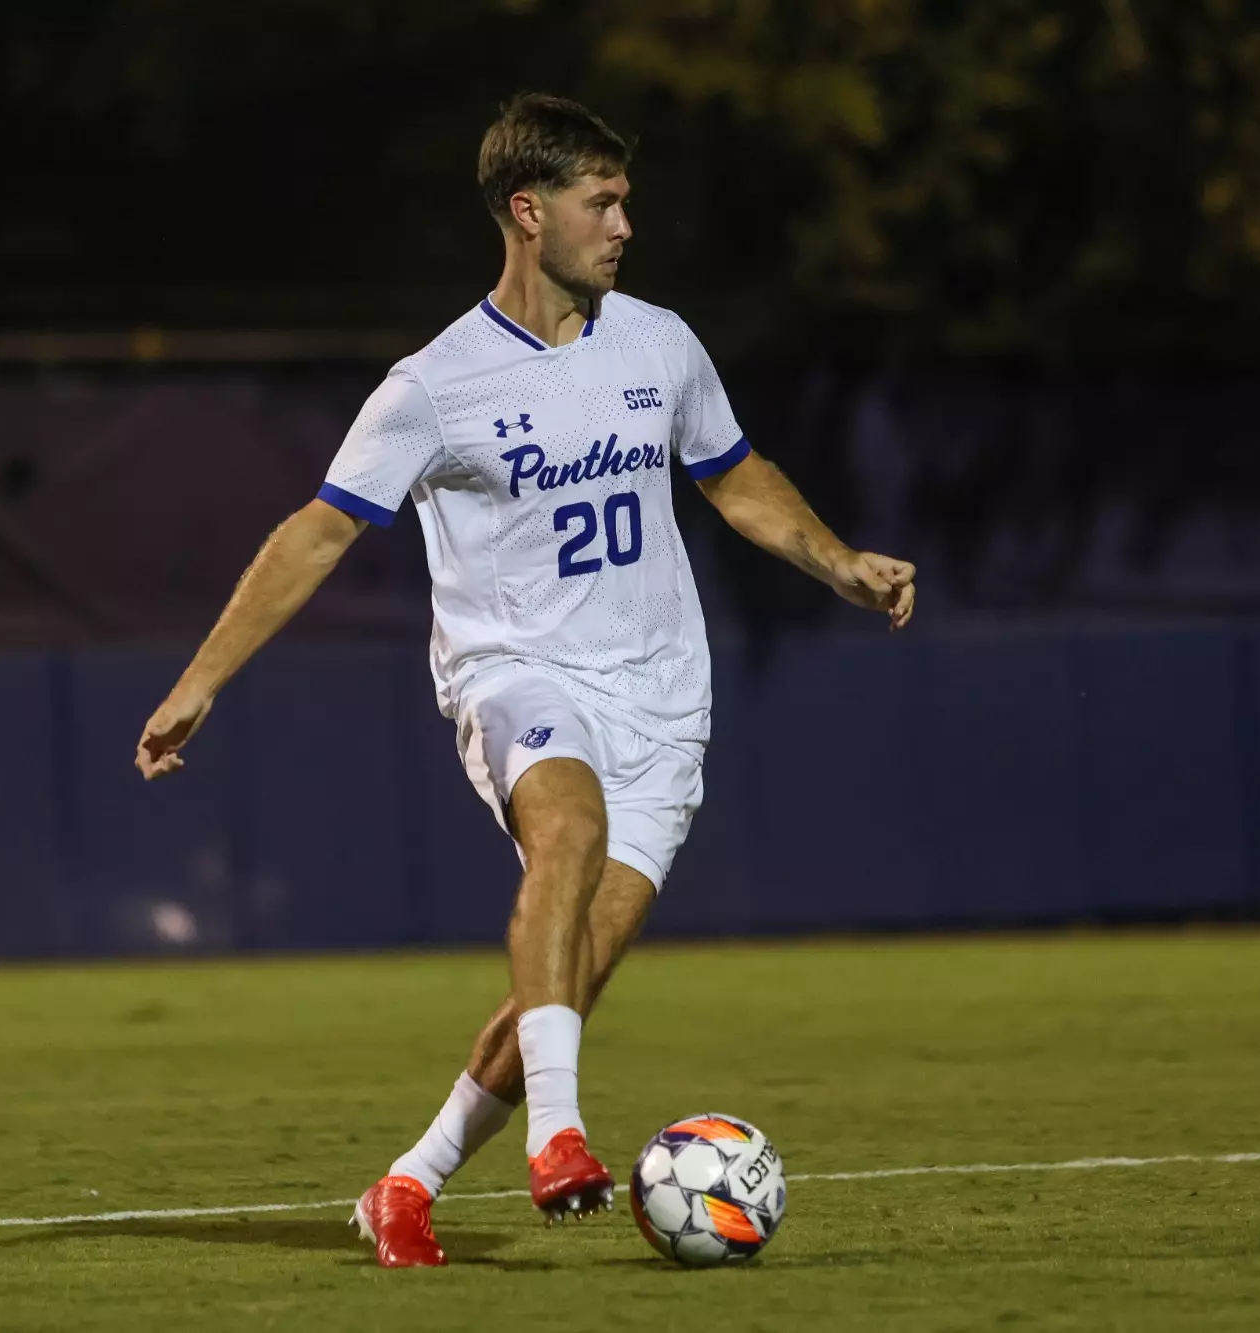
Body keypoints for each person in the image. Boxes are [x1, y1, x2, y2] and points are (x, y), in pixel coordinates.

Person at [134, 93, 916, 1268]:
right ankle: (559, 1136)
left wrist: (838, 561)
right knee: (567, 832)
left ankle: (407, 1181)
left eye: (624, 201)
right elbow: (317, 532)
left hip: (660, 700)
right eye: (601, 202)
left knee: (574, 968)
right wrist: (203, 678)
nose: (622, 225)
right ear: (527, 209)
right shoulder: (433, 385)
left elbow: (734, 471)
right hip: (515, 672)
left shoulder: (658, 343)